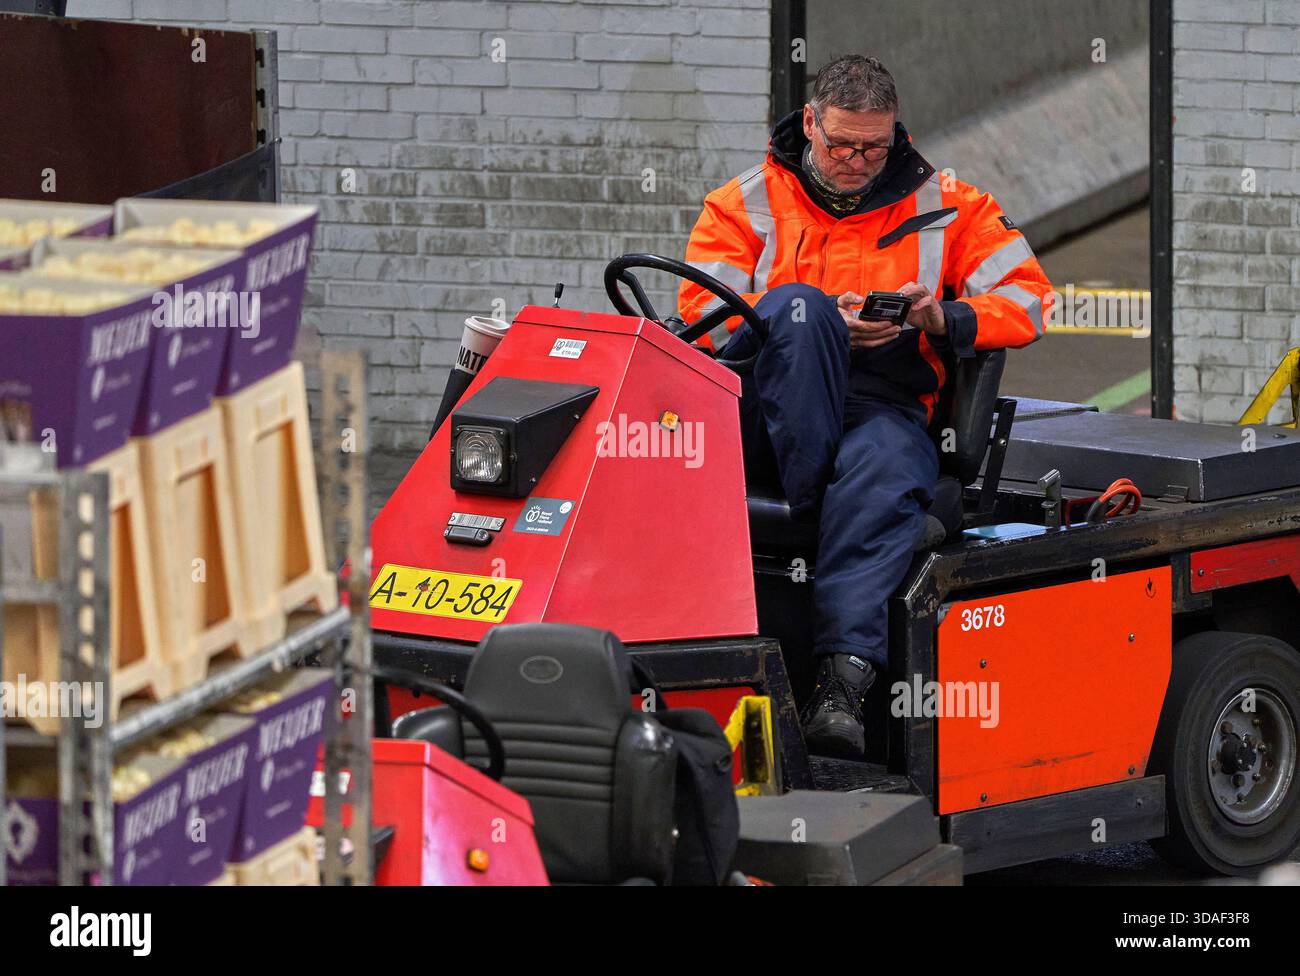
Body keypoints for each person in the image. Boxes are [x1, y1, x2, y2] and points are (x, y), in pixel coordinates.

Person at [678, 55, 1053, 759]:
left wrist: (940, 318)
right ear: (811, 123)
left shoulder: (950, 205)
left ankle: (840, 685)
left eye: (873, 148)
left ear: (894, 133)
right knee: (799, 308)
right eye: (841, 144)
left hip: (881, 403)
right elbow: (701, 316)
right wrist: (814, 324)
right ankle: (847, 506)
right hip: (765, 410)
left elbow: (1031, 300)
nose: (856, 161)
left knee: (882, 465)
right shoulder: (744, 202)